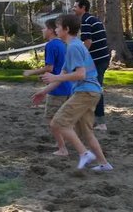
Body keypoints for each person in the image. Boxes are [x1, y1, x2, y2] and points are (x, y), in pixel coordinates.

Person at [37, 14, 113, 171]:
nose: (55, 30)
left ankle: (84, 154)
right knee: (86, 133)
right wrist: (43, 92)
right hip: (90, 92)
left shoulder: (74, 47)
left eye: (58, 27)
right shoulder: (72, 46)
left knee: (57, 122)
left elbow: (80, 74)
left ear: (66, 29)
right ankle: (104, 164)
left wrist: (55, 76)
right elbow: (63, 76)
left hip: (85, 92)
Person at [25, 19, 72, 156]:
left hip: (57, 87)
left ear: (51, 30)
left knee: (52, 119)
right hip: (66, 85)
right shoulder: (62, 44)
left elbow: (50, 67)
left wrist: (31, 72)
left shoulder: (51, 45)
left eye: (44, 28)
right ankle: (60, 143)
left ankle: (62, 148)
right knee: (61, 117)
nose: (42, 30)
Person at [72, 0, 110, 131]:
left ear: (83, 8)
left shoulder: (86, 21)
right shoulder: (91, 19)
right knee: (91, 88)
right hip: (101, 59)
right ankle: (92, 119)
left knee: (95, 89)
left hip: (99, 60)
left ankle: (101, 122)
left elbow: (87, 42)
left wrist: (81, 59)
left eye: (75, 6)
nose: (73, 8)